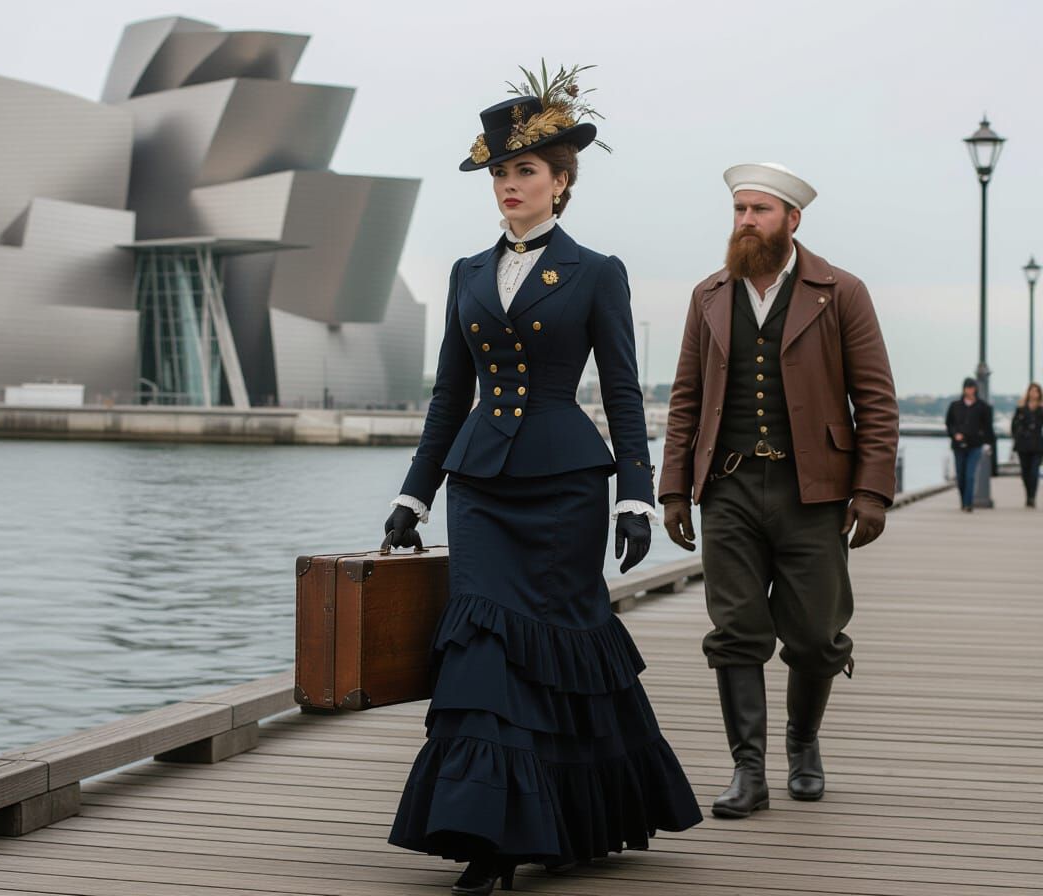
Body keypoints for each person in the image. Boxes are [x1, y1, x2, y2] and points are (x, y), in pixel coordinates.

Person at [383, 66, 701, 894]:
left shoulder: (596, 271)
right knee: (482, 644)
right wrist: (414, 494)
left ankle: (566, 818)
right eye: (499, 171)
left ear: (561, 182)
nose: (509, 184)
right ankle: (489, 836)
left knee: (560, 651)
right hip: (479, 487)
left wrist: (637, 494)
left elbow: (623, 391)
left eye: (524, 170)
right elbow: (450, 396)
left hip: (565, 489)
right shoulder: (465, 272)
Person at [658, 163, 899, 819]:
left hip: (813, 490)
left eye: (759, 210)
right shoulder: (709, 295)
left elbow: (876, 399)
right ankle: (748, 771)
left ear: (793, 219)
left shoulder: (841, 292)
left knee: (817, 634)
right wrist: (674, 489)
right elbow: (685, 399)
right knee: (736, 630)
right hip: (729, 488)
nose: (745, 221)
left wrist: (873, 491)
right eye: (739, 210)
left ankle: (803, 742)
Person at [946, 377, 996, 511]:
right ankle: (963, 501)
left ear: (976, 389)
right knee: (960, 476)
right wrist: (955, 434)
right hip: (958, 446)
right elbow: (949, 424)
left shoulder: (983, 407)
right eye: (967, 387)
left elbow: (988, 427)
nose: (970, 390)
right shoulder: (955, 406)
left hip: (975, 445)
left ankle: (968, 503)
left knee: (970, 475)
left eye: (972, 387)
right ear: (963, 389)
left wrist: (988, 443)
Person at [1011, 382, 1043, 507]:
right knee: (1025, 472)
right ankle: (1028, 494)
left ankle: (1032, 497)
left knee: (1034, 471)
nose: (1034, 393)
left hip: (1037, 445)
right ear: (1028, 392)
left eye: (1036, 391)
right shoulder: (1021, 408)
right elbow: (1014, 425)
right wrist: (1017, 436)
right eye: (1032, 390)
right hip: (1023, 445)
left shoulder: (1041, 409)